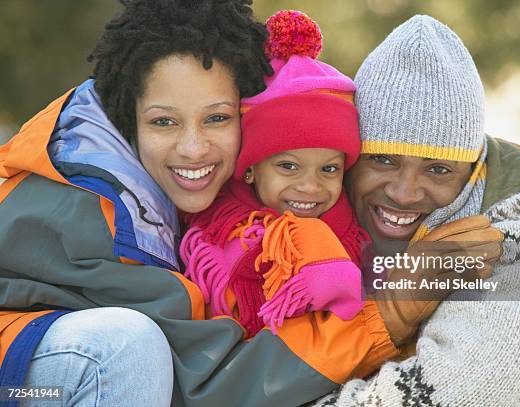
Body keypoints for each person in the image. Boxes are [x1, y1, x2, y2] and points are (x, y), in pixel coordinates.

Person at [0, 2, 400, 405]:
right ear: (129, 118)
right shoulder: (100, 209)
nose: (193, 149)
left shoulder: (205, 199)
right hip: (20, 376)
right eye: (163, 122)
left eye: (216, 119)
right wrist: (384, 318)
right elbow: (208, 383)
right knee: (128, 347)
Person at [314, 15, 520, 406]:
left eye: (438, 169)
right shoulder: (317, 191)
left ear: (473, 168)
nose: (403, 193)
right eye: (382, 160)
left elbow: (465, 398)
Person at [180, 10, 366, 336]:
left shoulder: (354, 231)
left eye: (329, 169)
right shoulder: (221, 239)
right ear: (249, 168)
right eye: (288, 166)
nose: (310, 187)